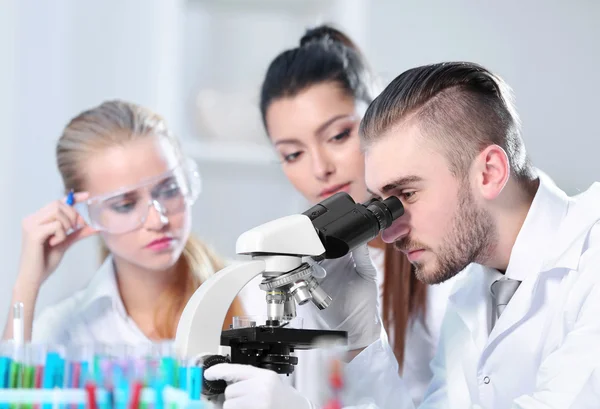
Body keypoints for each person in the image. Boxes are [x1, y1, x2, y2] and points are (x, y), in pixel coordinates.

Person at [205, 61, 600, 408]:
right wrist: (362, 342)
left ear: (489, 172)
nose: (390, 233)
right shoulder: (475, 288)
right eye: (381, 202)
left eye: (406, 194)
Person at [253, 24, 460, 406]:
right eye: (293, 154)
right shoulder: (292, 268)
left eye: (337, 136)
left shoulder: (445, 253)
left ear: (377, 115)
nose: (320, 168)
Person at [2, 100, 245, 345]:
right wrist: (27, 284)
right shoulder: (65, 329)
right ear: (86, 212)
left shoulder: (255, 294)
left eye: (169, 190)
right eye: (125, 205)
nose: (157, 220)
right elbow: (11, 381)